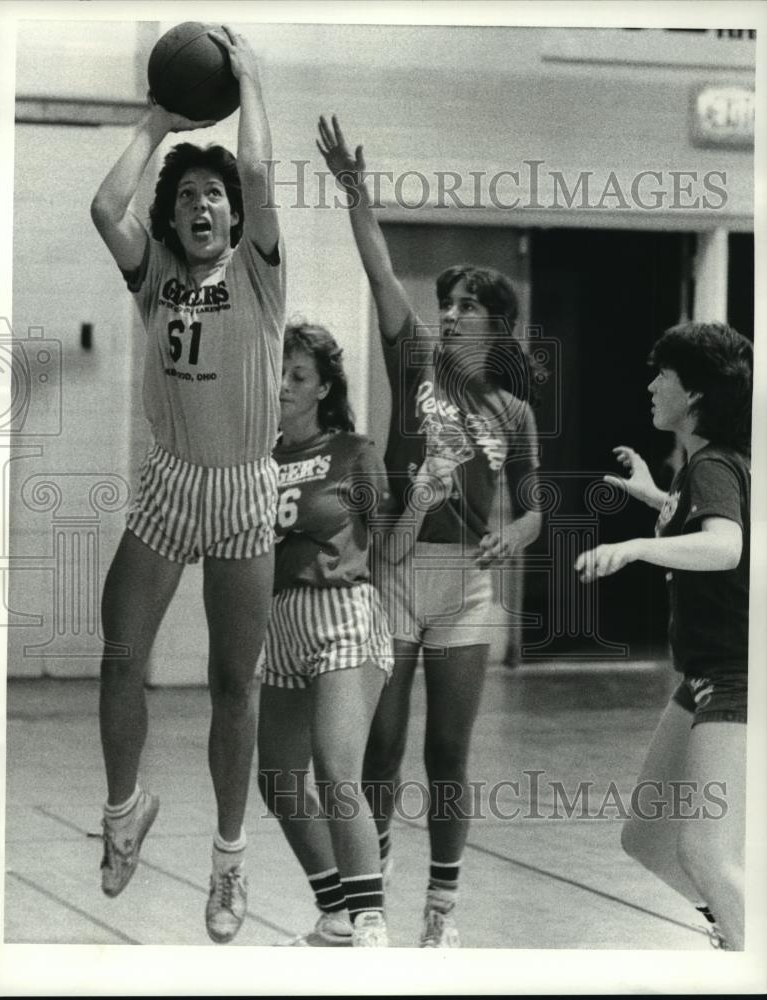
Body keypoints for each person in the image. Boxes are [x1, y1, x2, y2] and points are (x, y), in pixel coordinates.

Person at [316, 115, 543, 947]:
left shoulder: (513, 409)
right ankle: (365, 906)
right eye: (447, 304)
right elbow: (378, 269)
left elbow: (532, 505)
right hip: (395, 575)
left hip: (466, 588)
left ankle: (439, 917)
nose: (448, 316)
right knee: (380, 747)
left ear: (496, 328)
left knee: (447, 753)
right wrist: (355, 192)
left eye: (466, 309)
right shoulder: (411, 356)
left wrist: (514, 535)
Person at [89, 28, 285, 944]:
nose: (205, 205)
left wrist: (247, 83)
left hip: (245, 489)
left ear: (233, 214)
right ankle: (125, 809)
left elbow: (258, 178)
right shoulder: (154, 272)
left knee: (230, 686)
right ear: (172, 220)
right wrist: (157, 122)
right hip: (171, 484)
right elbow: (103, 206)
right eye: (190, 198)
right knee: (120, 650)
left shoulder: (258, 269)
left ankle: (229, 862)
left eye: (216, 196)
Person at [575, 321, 752, 951]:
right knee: (646, 839)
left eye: (664, 376)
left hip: (739, 679)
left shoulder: (711, 467)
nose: (652, 385)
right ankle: (740, 930)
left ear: (697, 394)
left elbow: (726, 546)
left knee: (704, 851)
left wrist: (635, 547)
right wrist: (656, 497)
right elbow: (709, 523)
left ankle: (749, 949)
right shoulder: (705, 470)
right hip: (701, 677)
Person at [257, 322, 393, 947]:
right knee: (279, 778)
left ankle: (371, 925)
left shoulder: (356, 451)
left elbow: (388, 544)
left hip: (344, 611)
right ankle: (337, 910)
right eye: (278, 373)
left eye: (298, 376)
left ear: (324, 388)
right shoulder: (255, 458)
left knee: (338, 772)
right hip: (279, 619)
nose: (283, 385)